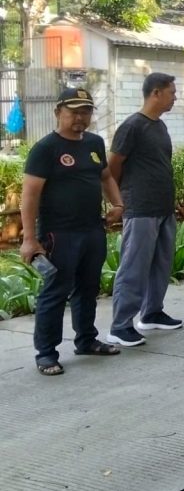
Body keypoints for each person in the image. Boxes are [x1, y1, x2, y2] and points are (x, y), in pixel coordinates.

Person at [21, 88, 123, 374]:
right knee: (56, 292)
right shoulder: (45, 149)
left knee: (88, 288)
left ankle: (86, 340)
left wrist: (118, 203)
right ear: (58, 112)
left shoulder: (94, 143)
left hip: (92, 229)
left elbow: (105, 176)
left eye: (86, 111)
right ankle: (46, 353)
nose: (80, 117)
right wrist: (29, 239)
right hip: (59, 234)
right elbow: (30, 195)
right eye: (74, 111)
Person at [107, 73, 181, 347]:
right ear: (156, 93)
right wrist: (119, 200)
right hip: (140, 208)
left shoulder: (159, 126)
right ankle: (120, 326)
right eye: (172, 92)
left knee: (161, 264)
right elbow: (112, 167)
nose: (175, 98)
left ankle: (152, 313)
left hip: (163, 206)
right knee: (134, 267)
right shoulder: (132, 126)